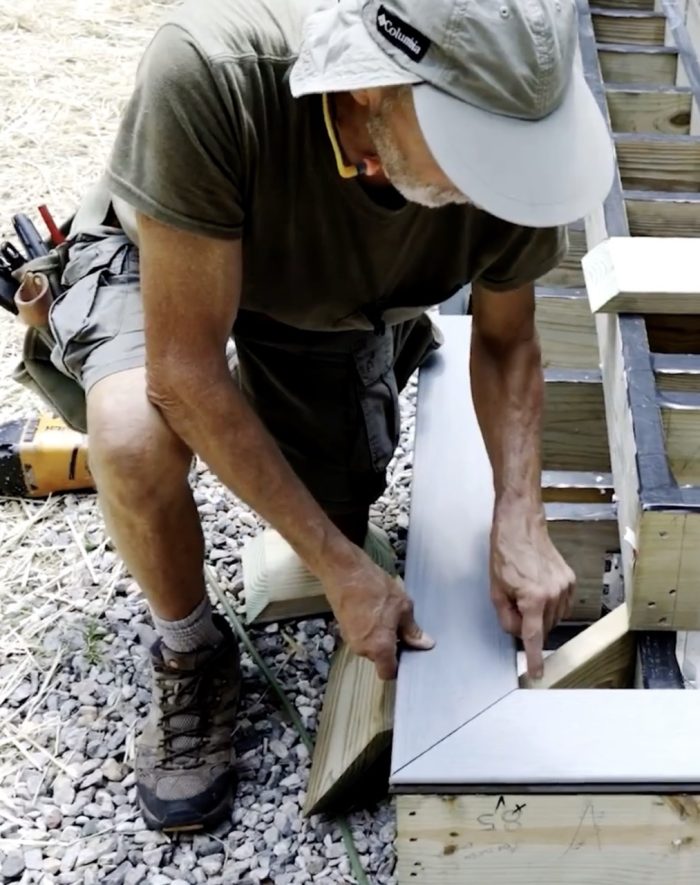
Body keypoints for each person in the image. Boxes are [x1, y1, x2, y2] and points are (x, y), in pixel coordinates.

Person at [19, 0, 614, 832]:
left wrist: (520, 511)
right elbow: (184, 373)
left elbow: (509, 344)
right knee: (133, 434)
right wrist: (341, 570)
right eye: (473, 154)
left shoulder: (506, 141)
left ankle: (376, 348)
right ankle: (190, 648)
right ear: (375, 88)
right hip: (178, 266)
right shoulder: (212, 75)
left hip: (323, 296)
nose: (493, 185)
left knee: (333, 506)